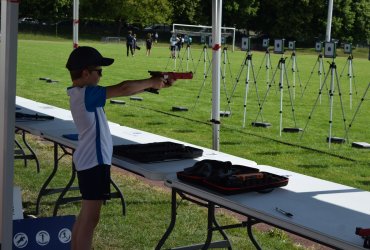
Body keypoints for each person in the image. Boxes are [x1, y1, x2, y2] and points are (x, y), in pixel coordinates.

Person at [65, 46, 175, 250]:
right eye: (99, 72)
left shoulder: (81, 94)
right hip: (94, 163)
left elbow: (125, 90)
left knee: (86, 216)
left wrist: (153, 85)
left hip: (89, 161)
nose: (101, 76)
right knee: (90, 218)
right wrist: (151, 81)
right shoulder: (87, 94)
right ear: (86, 73)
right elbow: (123, 88)